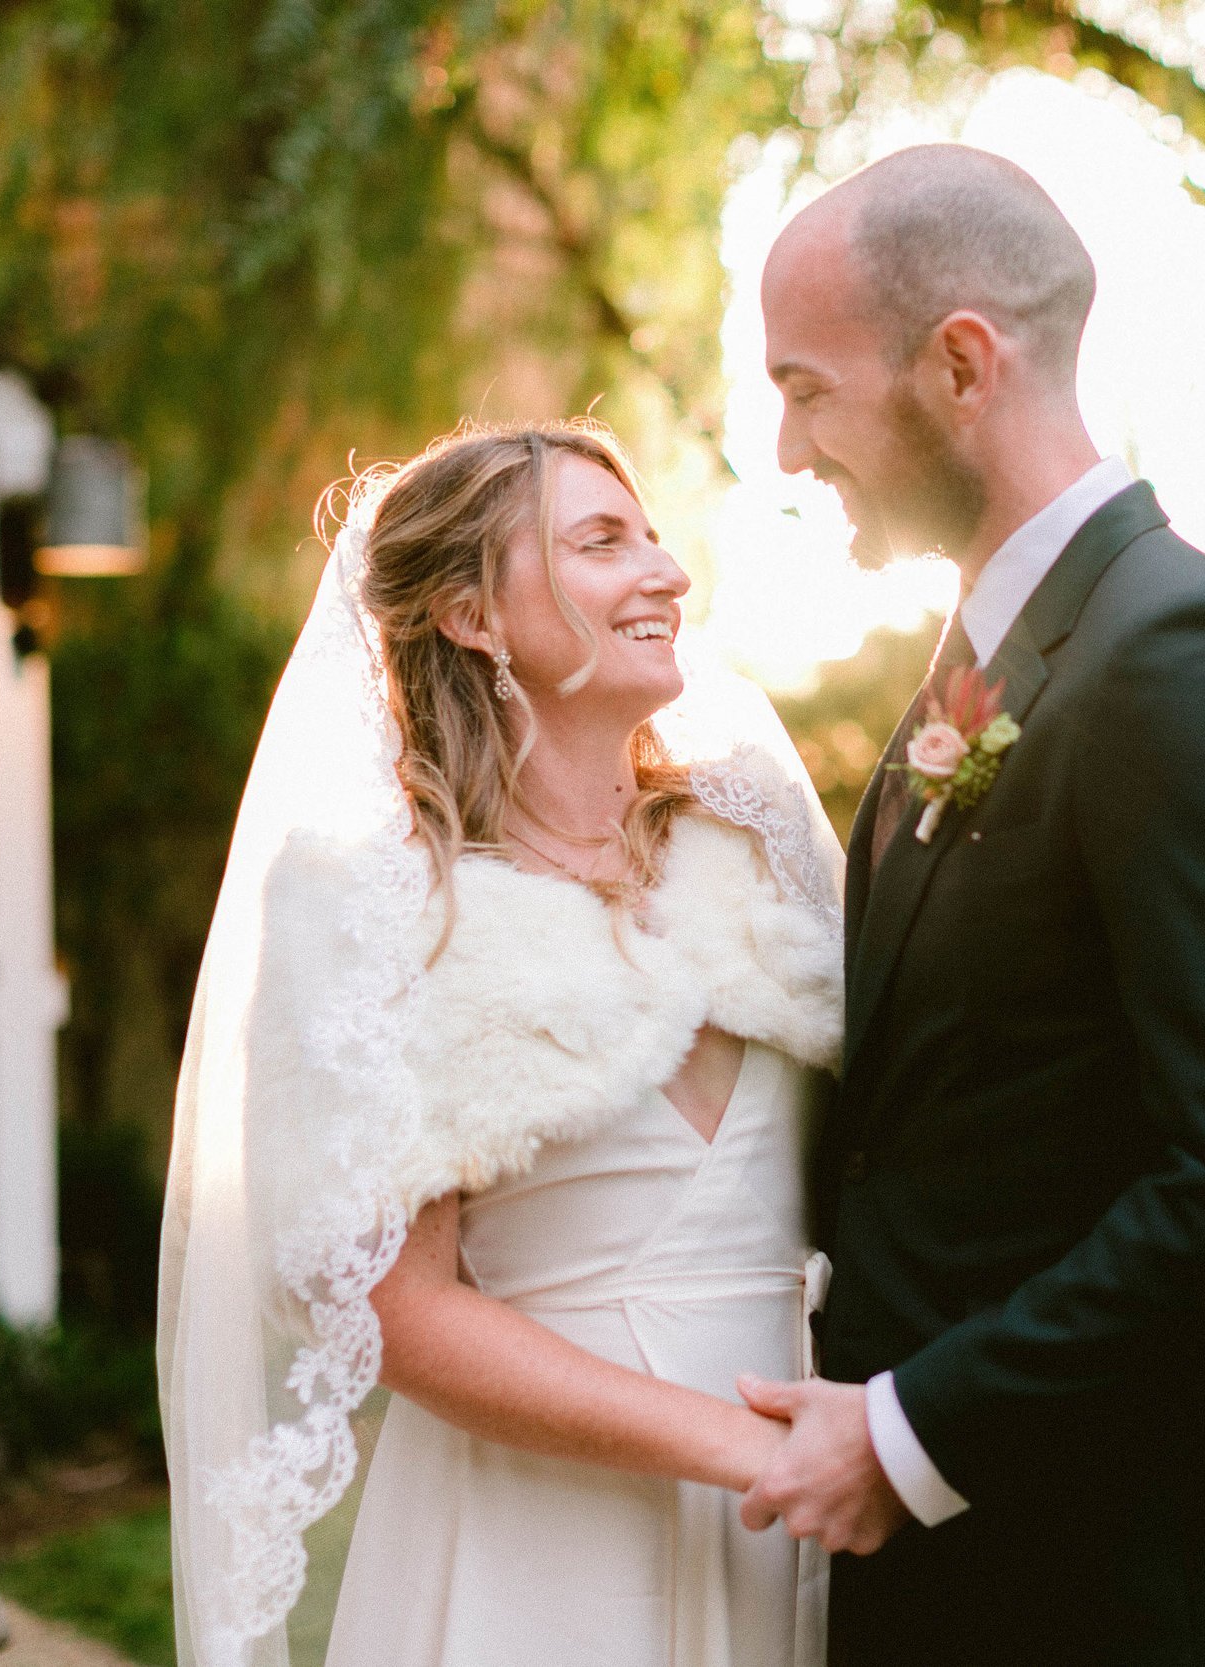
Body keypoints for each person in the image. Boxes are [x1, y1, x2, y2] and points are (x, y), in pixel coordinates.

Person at [735, 144, 1205, 1666]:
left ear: (960, 363)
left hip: (1100, 1567)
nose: (786, 449)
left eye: (807, 388)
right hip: (968, 1563)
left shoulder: (1182, 657)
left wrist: (910, 1430)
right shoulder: (997, 654)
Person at [158, 422, 846, 1667]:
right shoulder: (380, 909)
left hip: (811, 1502)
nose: (667, 571)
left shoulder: (753, 853)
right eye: (601, 541)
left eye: (651, 534)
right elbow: (393, 1306)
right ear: (472, 614)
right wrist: (737, 1443)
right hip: (545, 1547)